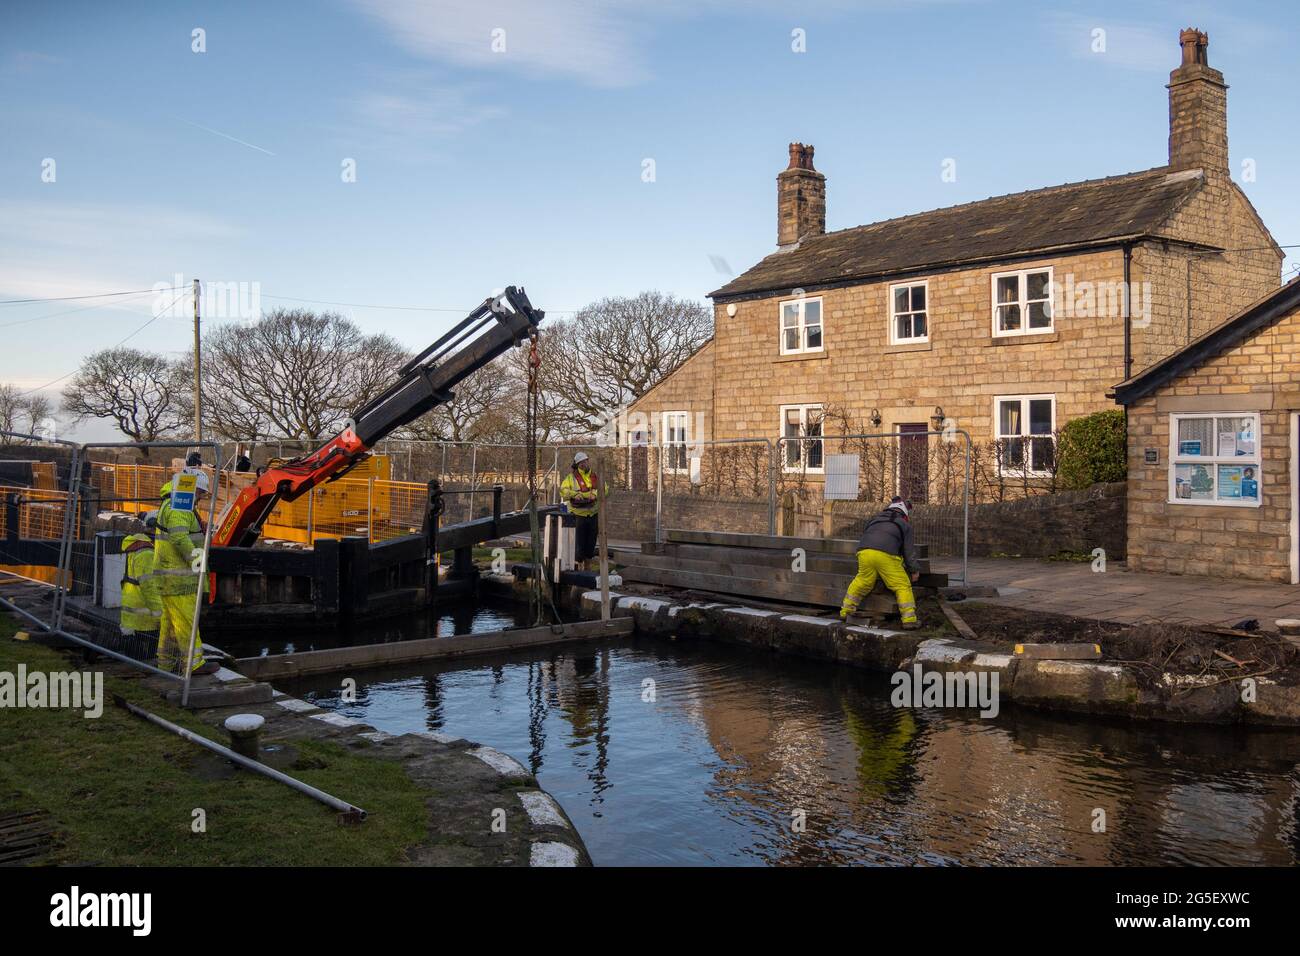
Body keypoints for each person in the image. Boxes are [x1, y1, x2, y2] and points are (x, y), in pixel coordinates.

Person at [153, 471, 218, 675]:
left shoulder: (172, 503)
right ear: (192, 489)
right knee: (186, 622)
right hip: (179, 578)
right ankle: (194, 664)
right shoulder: (179, 507)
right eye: (200, 492)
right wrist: (198, 562)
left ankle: (166, 663)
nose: (200, 497)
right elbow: (179, 537)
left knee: (171, 626)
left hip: (169, 577)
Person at [840, 496, 920, 629]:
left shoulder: (874, 520)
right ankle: (909, 620)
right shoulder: (904, 525)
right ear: (904, 514)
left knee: (862, 581)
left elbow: (868, 536)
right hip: (886, 555)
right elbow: (908, 551)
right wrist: (914, 570)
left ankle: (846, 611)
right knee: (901, 585)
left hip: (864, 552)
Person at [118, 531, 162, 659]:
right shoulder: (146, 554)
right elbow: (149, 587)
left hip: (131, 606)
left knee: (132, 645)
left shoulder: (133, 549)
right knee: (149, 653)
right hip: (144, 613)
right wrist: (160, 614)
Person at [559, 451, 601, 570]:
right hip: (578, 515)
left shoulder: (595, 476)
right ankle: (578, 566)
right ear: (577, 464)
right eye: (581, 462)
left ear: (588, 461)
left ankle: (587, 566)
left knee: (590, 543)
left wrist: (595, 494)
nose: (584, 464)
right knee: (578, 544)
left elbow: (605, 489)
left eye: (585, 461)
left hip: (592, 514)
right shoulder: (571, 478)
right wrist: (574, 494)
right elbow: (563, 490)